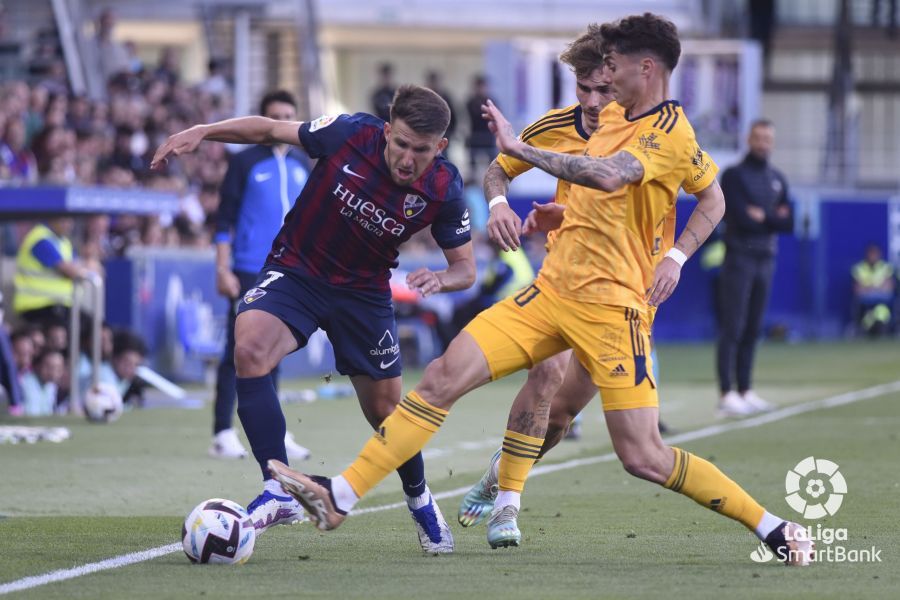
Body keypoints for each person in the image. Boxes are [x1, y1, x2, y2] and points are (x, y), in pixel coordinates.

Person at [269, 14, 813, 567]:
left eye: (615, 67)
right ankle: (342, 495)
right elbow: (595, 188)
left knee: (642, 454)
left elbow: (611, 176)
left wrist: (673, 255)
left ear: (645, 69)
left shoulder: (671, 132)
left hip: (615, 312)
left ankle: (770, 524)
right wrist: (561, 214)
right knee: (440, 378)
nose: (605, 79)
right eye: (596, 73)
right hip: (551, 294)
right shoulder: (602, 118)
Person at [151, 84, 475, 553]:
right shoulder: (349, 133)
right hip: (297, 270)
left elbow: (466, 269)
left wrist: (440, 280)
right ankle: (277, 488)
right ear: (387, 130)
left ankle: (420, 499)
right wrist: (204, 131)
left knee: (387, 412)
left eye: (420, 150)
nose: (407, 158)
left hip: (363, 294)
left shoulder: (444, 187)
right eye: (400, 143)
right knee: (250, 347)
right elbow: (268, 129)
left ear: (439, 148)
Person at [457, 24, 679, 528]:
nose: (596, 99)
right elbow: (499, 168)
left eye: (605, 87)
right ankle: (509, 507)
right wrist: (496, 205)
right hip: (565, 275)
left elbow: (710, 193)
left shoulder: (650, 132)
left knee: (560, 417)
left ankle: (499, 475)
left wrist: (677, 258)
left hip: (627, 286)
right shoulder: (556, 125)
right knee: (546, 372)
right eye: (585, 89)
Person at [209, 90, 311, 461]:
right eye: (275, 116)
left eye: (288, 114)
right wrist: (222, 268)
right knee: (237, 350)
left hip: (289, 269)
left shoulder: (303, 162)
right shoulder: (245, 162)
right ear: (263, 120)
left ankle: (275, 431)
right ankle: (222, 430)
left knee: (275, 350)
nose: (281, 121)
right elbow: (224, 220)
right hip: (249, 267)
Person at [716, 119, 793, 417]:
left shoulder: (777, 178)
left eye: (767, 138)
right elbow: (740, 216)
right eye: (758, 137)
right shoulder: (734, 176)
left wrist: (765, 216)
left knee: (753, 326)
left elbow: (788, 222)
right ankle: (726, 393)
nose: (762, 143)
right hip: (739, 257)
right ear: (749, 139)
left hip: (766, 258)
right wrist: (768, 216)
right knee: (732, 326)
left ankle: (745, 389)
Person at [13, 217, 94, 325]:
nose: (68, 224)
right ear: (52, 218)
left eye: (70, 220)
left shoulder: (64, 242)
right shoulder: (40, 239)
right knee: (59, 333)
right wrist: (86, 268)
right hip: (37, 305)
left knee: (100, 328)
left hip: (63, 304)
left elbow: (81, 266)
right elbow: (70, 271)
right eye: (64, 220)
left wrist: (86, 266)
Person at [851, 244, 895, 336]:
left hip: (883, 301)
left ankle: (880, 328)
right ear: (867, 255)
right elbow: (858, 289)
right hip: (865, 302)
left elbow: (889, 287)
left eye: (875, 254)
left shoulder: (886, 267)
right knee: (866, 313)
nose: (873, 256)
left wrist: (868, 288)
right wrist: (877, 287)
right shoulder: (859, 268)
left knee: (882, 310)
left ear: (879, 254)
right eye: (871, 254)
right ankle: (867, 326)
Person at [465, 75, 498, 174]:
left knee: (493, 165)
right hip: (475, 136)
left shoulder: (492, 101)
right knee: (472, 165)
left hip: (488, 137)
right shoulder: (471, 102)